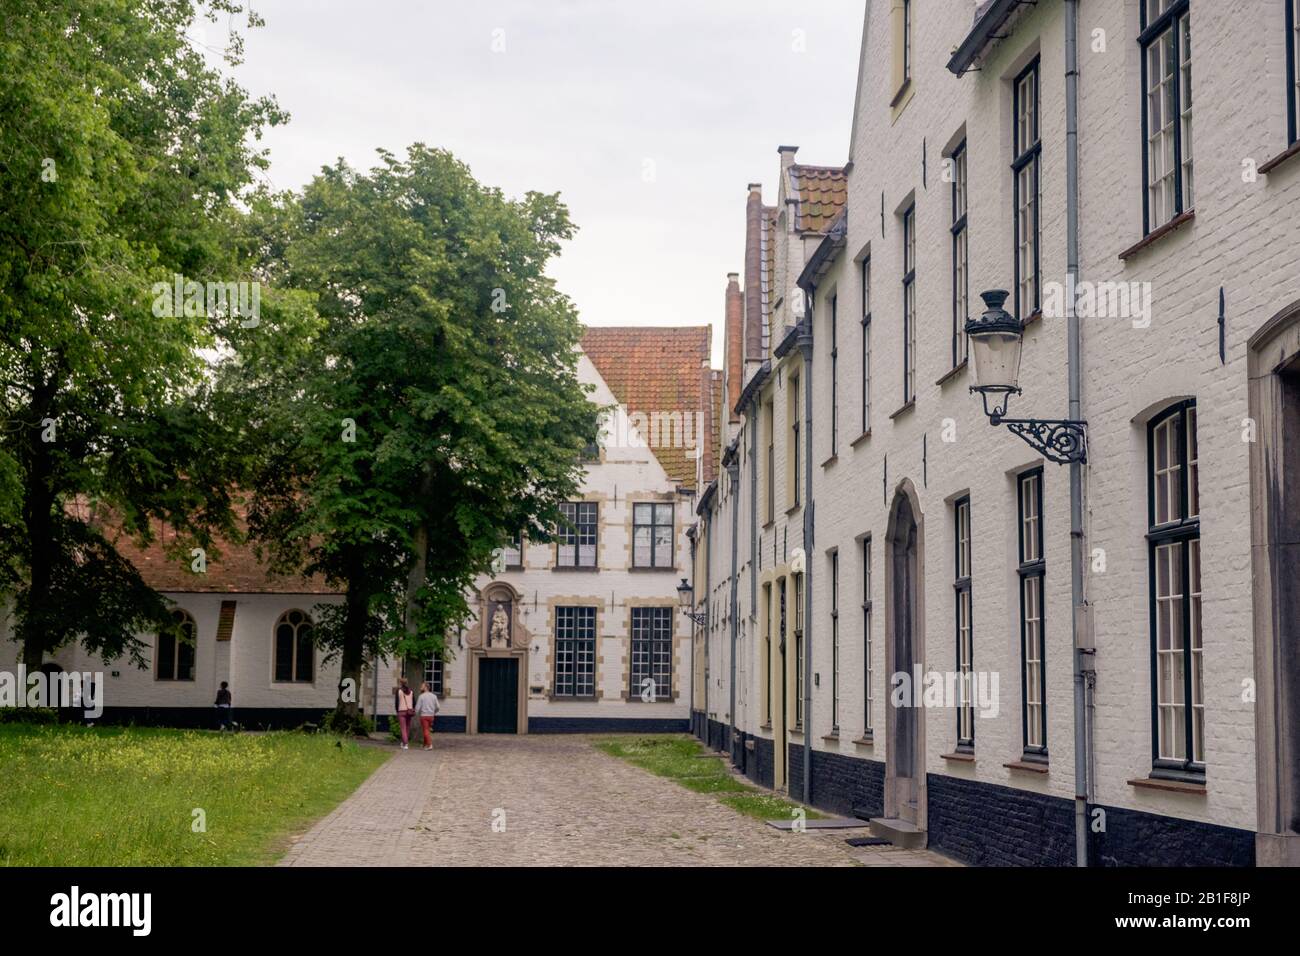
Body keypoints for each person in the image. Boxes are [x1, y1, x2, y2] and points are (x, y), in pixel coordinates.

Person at [414, 681, 441, 750]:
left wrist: (415, 713)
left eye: (422, 686)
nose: (421, 687)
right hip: (431, 716)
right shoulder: (434, 696)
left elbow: (417, 708)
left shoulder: (421, 696)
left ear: (426, 687)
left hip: (424, 716)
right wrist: (434, 712)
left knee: (425, 731)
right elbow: (438, 707)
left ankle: (429, 745)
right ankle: (425, 745)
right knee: (427, 730)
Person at [393, 677, 415, 750]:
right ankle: (404, 742)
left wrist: (397, 710)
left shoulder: (398, 691)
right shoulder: (411, 691)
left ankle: (405, 744)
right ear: (407, 683)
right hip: (409, 711)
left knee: (403, 728)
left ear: (400, 683)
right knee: (407, 728)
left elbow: (396, 702)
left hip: (401, 711)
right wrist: (412, 709)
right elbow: (414, 702)